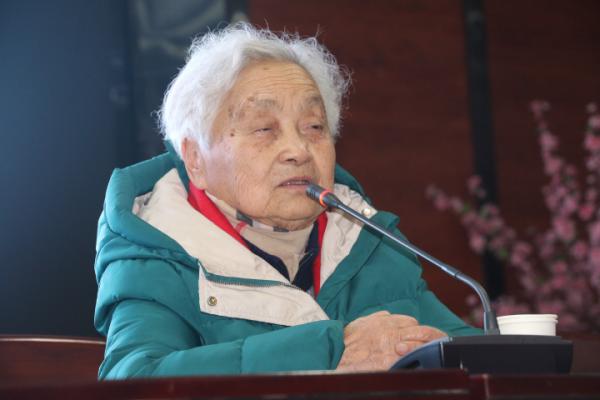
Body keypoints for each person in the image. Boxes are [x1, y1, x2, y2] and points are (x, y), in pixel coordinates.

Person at [94, 22, 480, 379]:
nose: (298, 150)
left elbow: (470, 357)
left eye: (314, 127)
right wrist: (330, 351)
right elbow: (133, 381)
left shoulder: (368, 241)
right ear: (195, 159)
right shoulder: (157, 254)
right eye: (264, 128)